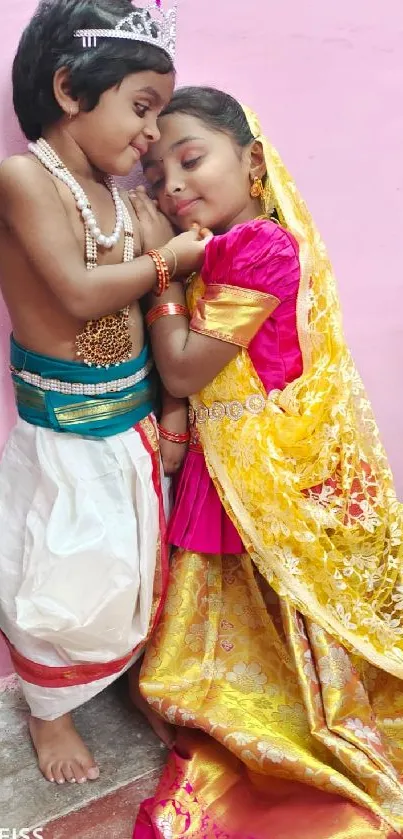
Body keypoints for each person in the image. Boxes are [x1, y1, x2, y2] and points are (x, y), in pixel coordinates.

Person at [131, 87, 403, 838]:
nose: (172, 186)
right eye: (154, 177)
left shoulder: (259, 246)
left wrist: (161, 281)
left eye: (189, 160)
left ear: (252, 161)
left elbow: (184, 368)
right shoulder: (217, 249)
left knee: (284, 614)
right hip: (232, 460)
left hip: (268, 466)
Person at [0, 1, 207, 787]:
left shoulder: (130, 204)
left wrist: (176, 404)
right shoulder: (24, 178)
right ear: (67, 88)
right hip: (63, 431)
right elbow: (82, 292)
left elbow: (167, 314)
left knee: (131, 566)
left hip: (131, 421)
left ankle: (120, 676)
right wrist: (171, 261)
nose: (151, 134)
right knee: (59, 576)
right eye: (141, 107)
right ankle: (49, 709)